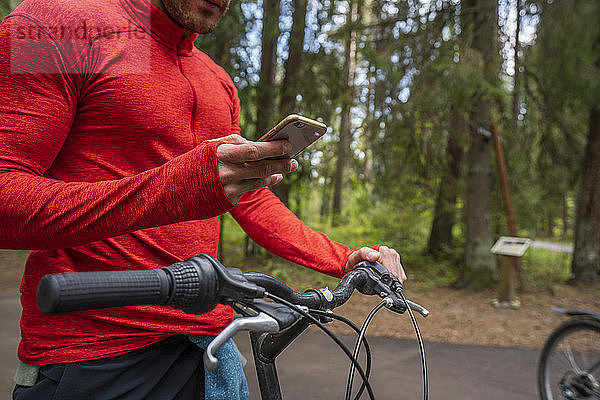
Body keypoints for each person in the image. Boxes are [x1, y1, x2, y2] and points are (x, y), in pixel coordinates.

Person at [0, 0, 406, 398]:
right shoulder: (57, 25)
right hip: (92, 353)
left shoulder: (217, 80)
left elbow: (245, 197)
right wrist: (182, 186)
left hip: (208, 345)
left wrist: (342, 258)